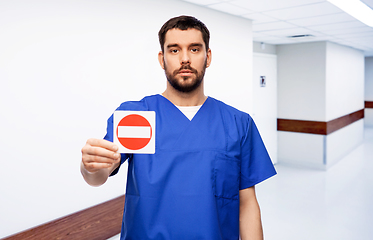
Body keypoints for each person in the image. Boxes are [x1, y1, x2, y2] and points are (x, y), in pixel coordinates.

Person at [81, 15, 276, 240]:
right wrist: (90, 167)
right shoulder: (136, 117)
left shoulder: (238, 123)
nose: (185, 59)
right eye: (174, 50)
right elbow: (98, 176)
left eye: (194, 49)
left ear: (208, 56)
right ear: (162, 59)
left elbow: (247, 205)